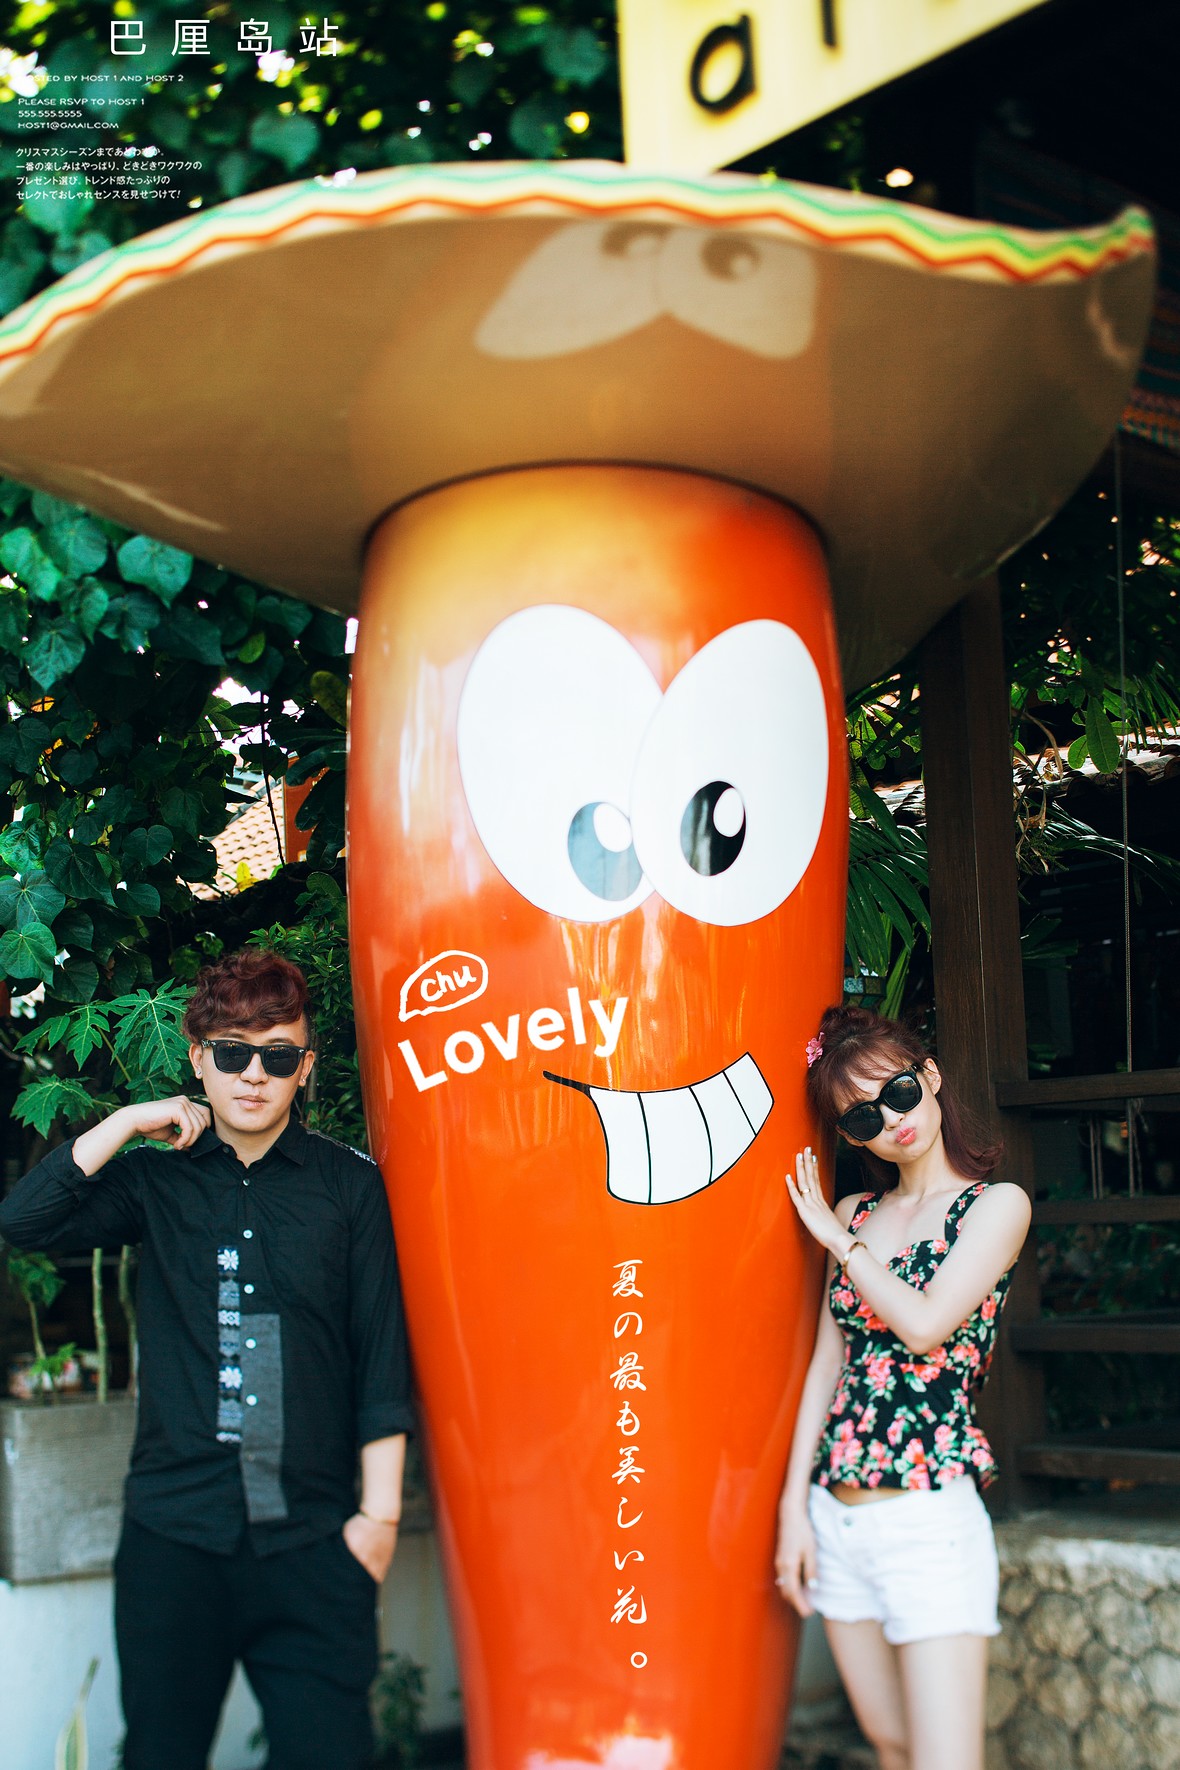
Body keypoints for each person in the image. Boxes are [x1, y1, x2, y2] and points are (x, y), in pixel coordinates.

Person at [0, 948, 413, 1770]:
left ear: (305, 1069)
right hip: (175, 1541)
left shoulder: (350, 1190)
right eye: (232, 1053)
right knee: (162, 1752)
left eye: (278, 1057)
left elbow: (381, 1356)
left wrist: (379, 1520)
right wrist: (124, 1124)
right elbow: (24, 1222)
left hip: (313, 1541)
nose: (254, 1076)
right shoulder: (156, 1183)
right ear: (198, 1060)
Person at [775, 1004, 1030, 1770]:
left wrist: (840, 1244)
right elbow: (828, 1365)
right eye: (862, 1117)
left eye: (899, 1092)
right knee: (891, 1747)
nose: (891, 1120)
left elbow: (924, 1325)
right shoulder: (855, 1212)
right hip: (837, 1518)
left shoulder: (995, 1206)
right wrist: (794, 1512)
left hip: (928, 1521)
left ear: (932, 1076)